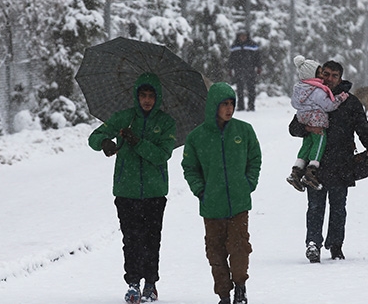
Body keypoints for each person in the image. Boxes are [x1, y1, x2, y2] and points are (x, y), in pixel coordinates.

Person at [88, 72, 177, 304]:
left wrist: (137, 142)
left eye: (151, 95)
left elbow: (161, 155)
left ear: (158, 97)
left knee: (151, 239)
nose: (147, 100)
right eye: (143, 95)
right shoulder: (124, 118)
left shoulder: (166, 123)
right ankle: (133, 283)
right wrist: (105, 143)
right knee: (131, 239)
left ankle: (151, 283)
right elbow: (94, 137)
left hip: (155, 192)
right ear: (136, 96)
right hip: (126, 191)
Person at [289, 60, 368, 263]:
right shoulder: (311, 97)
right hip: (317, 164)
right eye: (326, 74)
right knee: (315, 207)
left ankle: (336, 246)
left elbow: (363, 128)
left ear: (340, 78)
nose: (329, 79)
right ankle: (313, 244)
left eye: (334, 75)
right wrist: (308, 129)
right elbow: (293, 128)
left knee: (338, 208)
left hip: (342, 163)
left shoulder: (350, 102)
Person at [181, 82, 262, 304]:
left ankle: (240, 288)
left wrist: (248, 183)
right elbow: (190, 167)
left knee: (239, 249)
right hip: (212, 206)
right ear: (213, 106)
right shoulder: (197, 137)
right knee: (215, 254)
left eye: (232, 104)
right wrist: (200, 190)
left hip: (238, 204)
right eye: (224, 104)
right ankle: (224, 294)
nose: (229, 109)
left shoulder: (244, 130)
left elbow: (255, 158)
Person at [287, 55, 349, 192]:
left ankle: (296, 171)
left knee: (307, 144)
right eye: (323, 73)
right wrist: (339, 99)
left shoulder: (300, 87)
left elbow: (294, 104)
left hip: (303, 117)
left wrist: (306, 125)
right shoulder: (317, 90)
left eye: (334, 76)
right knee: (320, 142)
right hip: (317, 121)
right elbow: (328, 106)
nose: (325, 78)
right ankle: (311, 171)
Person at [227, 31, 262, 111]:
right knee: (240, 89)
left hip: (250, 70)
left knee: (251, 89)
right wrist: (230, 68)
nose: (243, 37)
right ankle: (240, 106)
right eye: (241, 36)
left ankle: (251, 106)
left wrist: (259, 67)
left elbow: (258, 57)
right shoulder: (235, 46)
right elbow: (231, 59)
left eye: (244, 36)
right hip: (238, 70)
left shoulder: (253, 45)